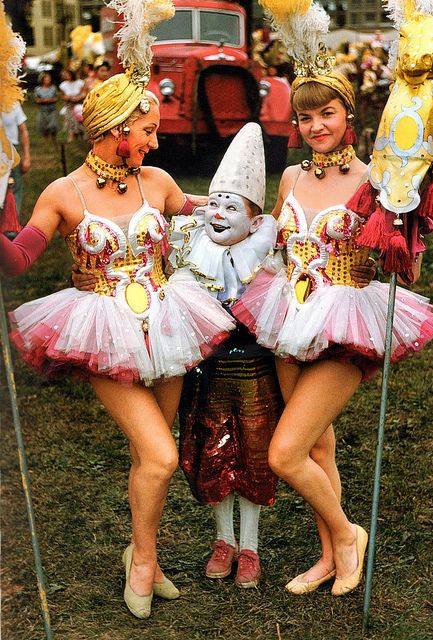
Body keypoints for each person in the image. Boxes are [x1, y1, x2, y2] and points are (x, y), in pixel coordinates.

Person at [0, 0, 235, 621]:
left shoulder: (155, 180)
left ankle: (147, 557)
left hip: (168, 323)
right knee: (159, 456)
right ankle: (140, 563)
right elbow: (20, 260)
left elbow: (208, 212)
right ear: (114, 129)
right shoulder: (63, 192)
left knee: (146, 459)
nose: (154, 142)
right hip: (101, 328)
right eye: (147, 131)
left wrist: (252, 214)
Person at [233, 1, 433, 597]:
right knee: (318, 444)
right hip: (287, 312)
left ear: (349, 112)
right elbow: (276, 241)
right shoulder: (293, 178)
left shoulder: (378, 180)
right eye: (305, 117)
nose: (316, 125)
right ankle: (329, 556)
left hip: (346, 316)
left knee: (285, 452)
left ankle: (347, 535)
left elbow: (410, 265)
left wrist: (407, 228)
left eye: (327, 113)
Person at [170, 123, 281, 589]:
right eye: (214, 202)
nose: (217, 213)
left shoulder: (266, 257)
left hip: (253, 370)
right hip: (207, 371)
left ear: (254, 222)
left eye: (231, 206)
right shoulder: (191, 252)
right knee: (211, 448)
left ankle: (250, 545)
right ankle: (223, 539)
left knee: (254, 452)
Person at [1, 102, 30, 216]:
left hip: (12, 151)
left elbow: (24, 130)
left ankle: (11, 226)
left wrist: (26, 156)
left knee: (14, 186)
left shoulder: (13, 103)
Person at [59, 67, 85, 142]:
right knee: (71, 122)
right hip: (70, 106)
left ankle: (81, 136)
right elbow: (62, 95)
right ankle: (72, 137)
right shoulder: (63, 85)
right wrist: (69, 98)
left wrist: (78, 98)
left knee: (80, 122)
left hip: (79, 105)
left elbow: (83, 92)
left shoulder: (80, 82)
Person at [34, 72, 58, 141]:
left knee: (53, 124)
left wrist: (50, 100)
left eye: (49, 79)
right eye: (46, 79)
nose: (48, 80)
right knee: (43, 125)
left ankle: (53, 137)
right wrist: (43, 100)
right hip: (42, 109)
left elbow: (56, 98)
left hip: (52, 109)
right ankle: (46, 139)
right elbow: (36, 99)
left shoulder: (53, 88)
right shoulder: (38, 89)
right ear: (42, 80)